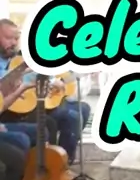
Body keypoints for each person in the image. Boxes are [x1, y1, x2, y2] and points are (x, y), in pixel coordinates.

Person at [0, 19, 90, 164]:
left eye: (16, 39)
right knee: (63, 119)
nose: (14, 43)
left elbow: (38, 75)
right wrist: (23, 85)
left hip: (38, 102)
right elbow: (6, 86)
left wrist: (54, 81)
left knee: (83, 108)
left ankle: (62, 164)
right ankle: (53, 165)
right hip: (15, 111)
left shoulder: (20, 57)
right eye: (9, 38)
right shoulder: (9, 62)